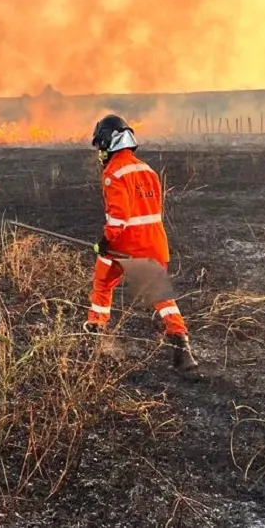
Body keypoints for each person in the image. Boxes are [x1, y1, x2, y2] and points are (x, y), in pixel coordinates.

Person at [86, 114, 199, 372]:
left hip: (125, 247)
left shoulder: (114, 173)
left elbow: (119, 217)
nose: (100, 153)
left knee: (103, 281)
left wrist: (105, 241)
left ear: (108, 142)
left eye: (100, 146)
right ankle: (182, 347)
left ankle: (95, 333)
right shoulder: (147, 170)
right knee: (161, 296)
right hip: (155, 244)